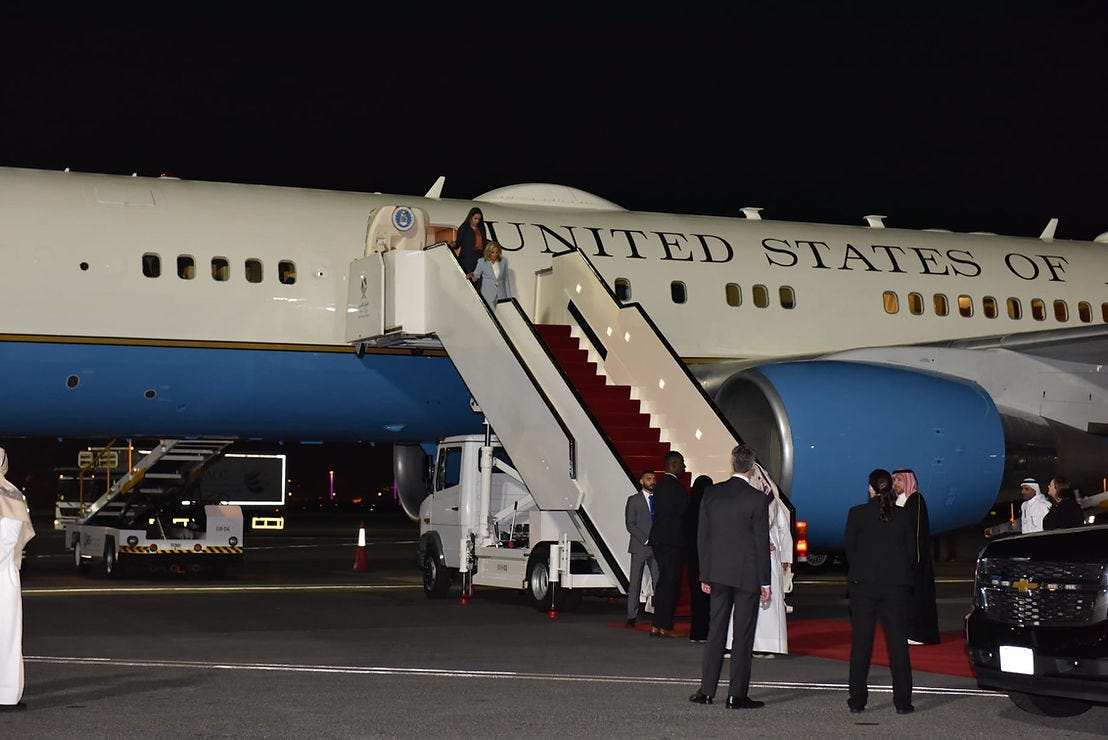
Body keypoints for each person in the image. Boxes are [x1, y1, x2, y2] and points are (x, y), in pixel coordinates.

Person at [689, 444, 771, 709]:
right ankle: (737, 694)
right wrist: (765, 581)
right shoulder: (757, 499)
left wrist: (705, 573)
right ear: (752, 466)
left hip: (718, 573)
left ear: (732, 463)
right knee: (742, 636)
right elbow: (761, 542)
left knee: (716, 632)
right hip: (747, 575)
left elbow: (703, 536)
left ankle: (707, 690)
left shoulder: (712, 494)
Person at [844, 469, 915, 715]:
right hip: (895, 586)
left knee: (861, 644)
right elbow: (910, 553)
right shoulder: (905, 516)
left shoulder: (856, 514)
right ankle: (903, 702)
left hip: (863, 586)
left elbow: (850, 551)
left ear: (871, 488)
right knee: (897, 646)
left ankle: (857, 700)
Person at [0, 447, 35, 711]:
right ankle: (7, 695)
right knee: (9, 636)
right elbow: (21, 537)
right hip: (8, 576)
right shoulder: (14, 494)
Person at [892, 468, 939, 645]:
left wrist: (914, 559)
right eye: (894, 480)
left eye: (899, 480)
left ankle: (918, 634)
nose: (896, 484)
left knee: (917, 599)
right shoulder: (899, 501)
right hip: (902, 561)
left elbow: (918, 532)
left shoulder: (916, 500)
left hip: (915, 562)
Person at [752, 463, 792, 657]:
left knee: (768, 606)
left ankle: (768, 645)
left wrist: (785, 557)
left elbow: (783, 531)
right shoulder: (749, 502)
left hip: (770, 560)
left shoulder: (773, 506)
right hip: (751, 558)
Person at [649, 450, 687, 638]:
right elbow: (682, 514)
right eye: (681, 464)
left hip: (658, 539)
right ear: (673, 465)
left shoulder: (659, 486)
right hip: (673, 541)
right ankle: (665, 625)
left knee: (663, 582)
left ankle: (657, 624)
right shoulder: (677, 488)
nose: (684, 468)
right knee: (671, 583)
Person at [625, 470, 660, 628]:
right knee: (635, 582)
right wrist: (645, 539)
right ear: (641, 481)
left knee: (658, 580)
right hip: (639, 546)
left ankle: (659, 613)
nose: (652, 481)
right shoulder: (634, 500)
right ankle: (631, 615)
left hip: (656, 547)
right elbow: (630, 524)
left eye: (653, 479)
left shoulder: (659, 499)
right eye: (648, 479)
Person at [683, 475, 713, 643]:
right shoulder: (708, 509)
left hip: (693, 557)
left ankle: (697, 632)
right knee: (707, 597)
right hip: (706, 557)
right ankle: (706, 631)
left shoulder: (689, 509)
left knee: (696, 596)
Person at [472, 242, 512, 308]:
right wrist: (471, 276)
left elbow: (506, 280)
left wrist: (509, 297)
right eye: (492, 252)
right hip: (487, 294)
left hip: (501, 294)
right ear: (488, 252)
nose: (495, 254)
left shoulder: (503, 262)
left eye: (497, 252)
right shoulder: (481, 261)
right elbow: (476, 276)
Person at [453, 207, 487, 280]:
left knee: (479, 280)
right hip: (467, 259)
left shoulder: (482, 228)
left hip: (479, 257)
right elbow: (457, 244)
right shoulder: (464, 228)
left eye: (479, 219)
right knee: (469, 280)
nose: (477, 221)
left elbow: (484, 243)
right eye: (475, 218)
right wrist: (452, 245)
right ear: (470, 217)